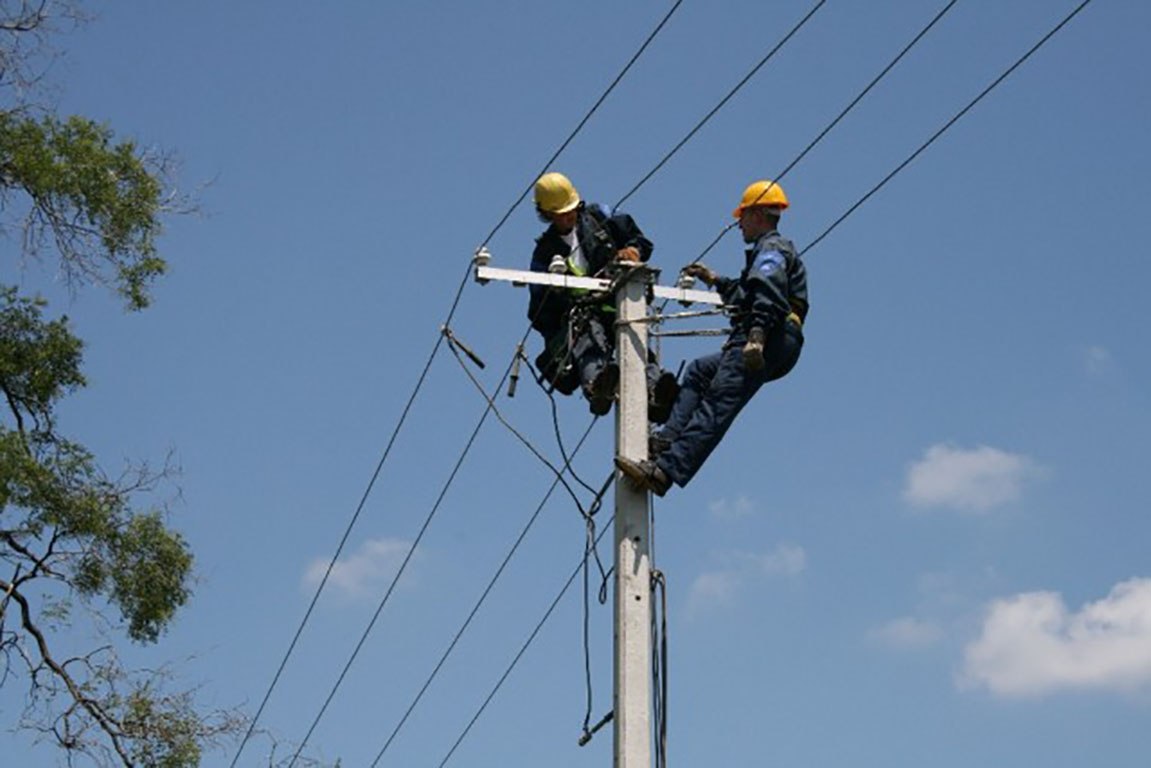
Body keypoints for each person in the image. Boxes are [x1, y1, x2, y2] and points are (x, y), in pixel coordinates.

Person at [615, 179, 808, 495]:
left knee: (718, 403)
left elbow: (767, 291)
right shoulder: (767, 252)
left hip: (768, 335)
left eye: (742, 216)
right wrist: (714, 279)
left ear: (757, 214)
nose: (738, 224)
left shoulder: (772, 249)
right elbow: (747, 293)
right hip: (779, 338)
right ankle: (667, 440)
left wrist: (756, 335)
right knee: (699, 372)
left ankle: (664, 472)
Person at [528, 171, 678, 419]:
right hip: (583, 315)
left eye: (571, 210)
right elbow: (539, 310)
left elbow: (639, 238)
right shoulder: (545, 253)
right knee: (590, 345)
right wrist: (559, 323)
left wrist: (633, 250)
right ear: (547, 215)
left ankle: (656, 392)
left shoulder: (600, 217)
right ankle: (598, 386)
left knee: (636, 346)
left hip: (620, 303)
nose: (568, 217)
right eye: (560, 214)